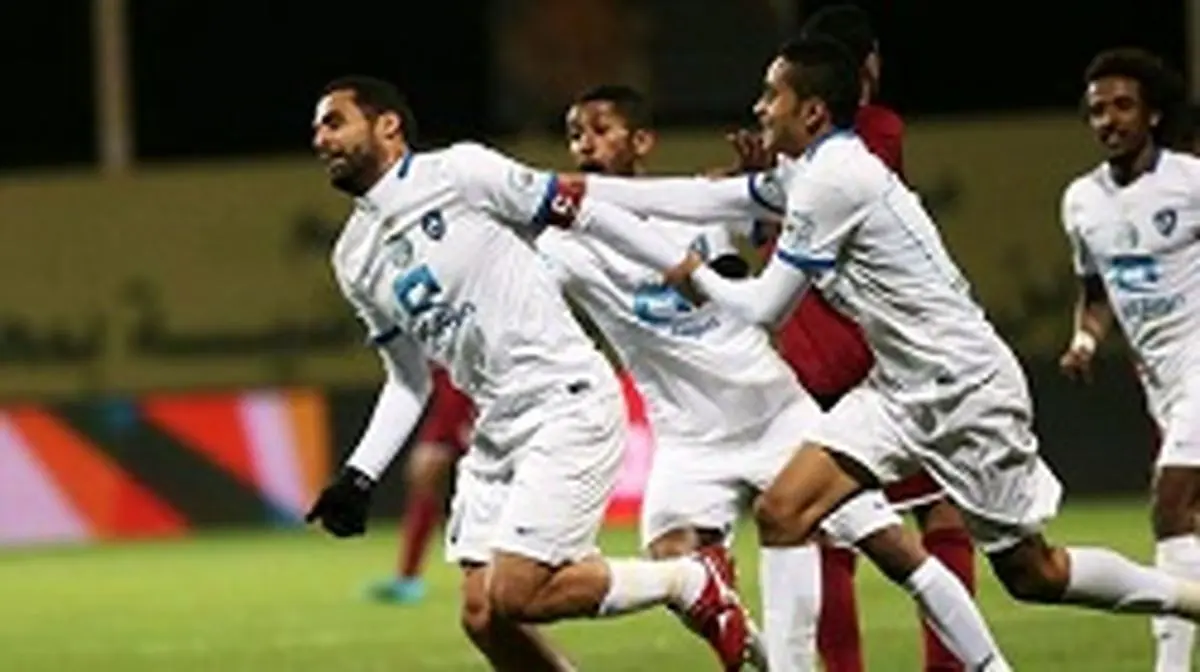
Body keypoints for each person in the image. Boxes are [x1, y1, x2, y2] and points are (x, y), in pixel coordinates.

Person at [579, 36, 1200, 671]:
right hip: (898, 390)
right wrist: (579, 195)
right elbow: (704, 199)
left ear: (812, 111)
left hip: (965, 387)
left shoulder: (836, 179)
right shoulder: (810, 171)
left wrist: (694, 274)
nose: (760, 108)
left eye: (772, 95)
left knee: (1033, 572)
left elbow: (765, 308)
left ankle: (1188, 598)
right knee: (784, 511)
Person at [303, 75, 762, 670]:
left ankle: (688, 581)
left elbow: (587, 211)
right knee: (484, 617)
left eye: (334, 122)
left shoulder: (460, 173)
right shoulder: (353, 257)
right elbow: (409, 381)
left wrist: (685, 266)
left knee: (519, 593)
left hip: (564, 400)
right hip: (495, 427)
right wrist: (359, 475)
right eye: (317, 128)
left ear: (387, 125)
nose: (320, 138)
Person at [540, 83, 901, 671]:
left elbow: (751, 273)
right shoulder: (563, 246)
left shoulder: (699, 207)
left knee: (890, 546)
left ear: (642, 141)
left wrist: (749, 205)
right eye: (575, 134)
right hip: (688, 441)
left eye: (600, 130)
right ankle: (777, 663)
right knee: (674, 564)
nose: (585, 144)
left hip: (772, 411)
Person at [1058, 47, 1199, 672]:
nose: (1109, 120)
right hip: (1160, 378)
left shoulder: (1190, 182)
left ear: (1153, 115)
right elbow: (1094, 293)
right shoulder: (1080, 201)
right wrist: (1085, 342)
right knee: (1191, 522)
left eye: (1122, 106)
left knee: (1170, 505)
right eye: (1097, 111)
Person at [366, 366, 473, 604]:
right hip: (451, 411)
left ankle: (498, 569)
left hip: (482, 410)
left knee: (489, 493)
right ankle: (408, 577)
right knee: (424, 484)